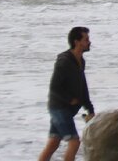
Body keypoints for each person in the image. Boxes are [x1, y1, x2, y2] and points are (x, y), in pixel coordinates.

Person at [38, 26, 95, 161]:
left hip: (66, 109)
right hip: (59, 108)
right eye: (86, 39)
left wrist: (89, 108)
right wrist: (70, 99)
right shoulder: (64, 61)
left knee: (53, 143)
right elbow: (55, 87)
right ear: (76, 42)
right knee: (74, 143)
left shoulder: (80, 60)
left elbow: (82, 86)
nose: (89, 42)